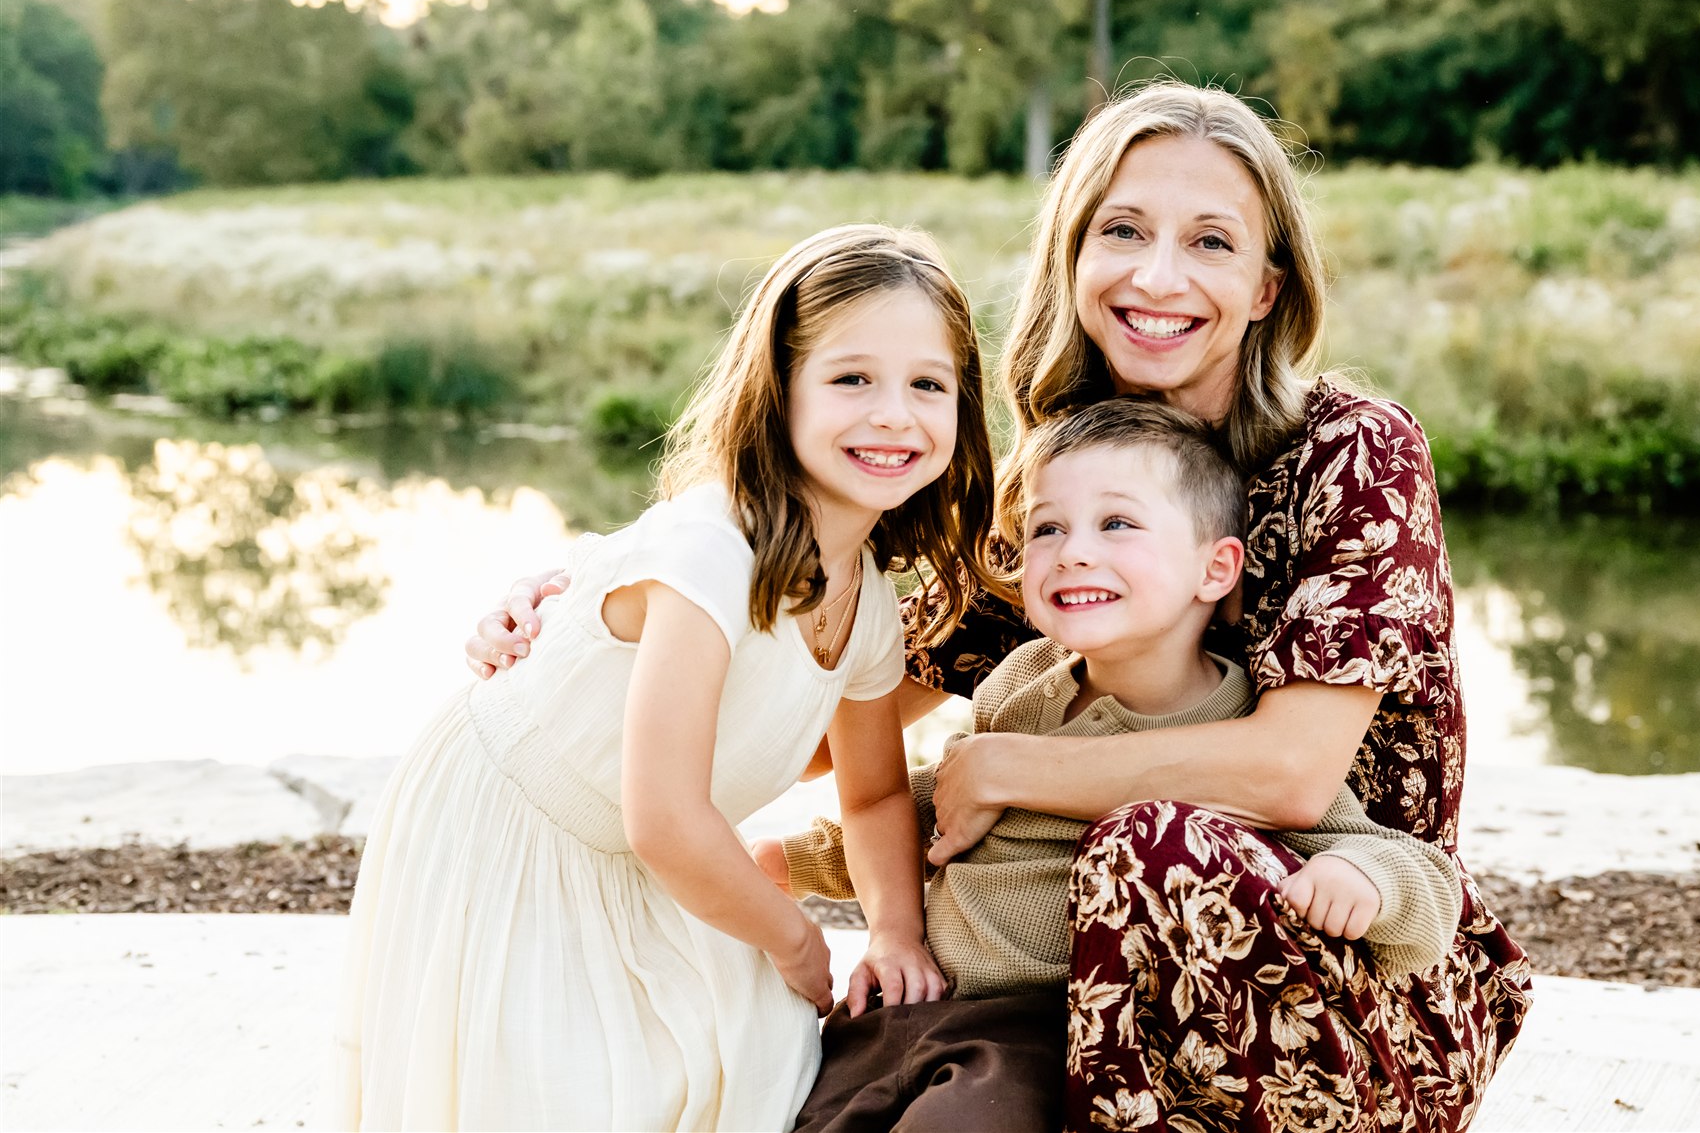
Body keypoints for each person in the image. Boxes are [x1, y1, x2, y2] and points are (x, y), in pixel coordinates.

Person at [471, 82, 1532, 1132]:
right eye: (1120, 230)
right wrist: (619, 617)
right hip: (1083, 1017)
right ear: (1070, 259)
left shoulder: (1348, 452)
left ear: (1266, 285)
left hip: (1355, 985)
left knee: (1148, 848)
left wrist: (1007, 768)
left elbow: (1290, 772)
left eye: (1210, 242)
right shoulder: (1055, 498)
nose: (1157, 275)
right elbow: (817, 704)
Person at [337, 225, 1001, 1131]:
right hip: (519, 826)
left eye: (928, 384)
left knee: (759, 1063)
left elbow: (877, 792)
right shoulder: (711, 549)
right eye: (852, 378)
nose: (894, 412)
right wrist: (799, 940)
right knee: (567, 1096)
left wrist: (892, 929)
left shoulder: (869, 599)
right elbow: (664, 815)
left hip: (649, 855)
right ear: (781, 392)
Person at [779, 398, 1467, 1133]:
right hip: (919, 1000)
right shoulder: (1020, 682)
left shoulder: (1232, 725)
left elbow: (1420, 869)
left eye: (1117, 524)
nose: (1073, 550)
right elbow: (937, 806)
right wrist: (796, 860)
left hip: (1036, 1033)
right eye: (1047, 528)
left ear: (1216, 568)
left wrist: (1363, 878)